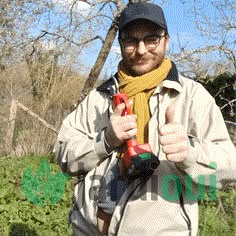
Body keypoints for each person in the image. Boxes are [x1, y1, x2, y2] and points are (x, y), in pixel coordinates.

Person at [54, 2, 235, 236]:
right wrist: (105, 140)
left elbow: (230, 166)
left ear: (166, 41)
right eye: (131, 40)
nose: (141, 50)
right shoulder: (99, 98)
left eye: (151, 39)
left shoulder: (191, 96)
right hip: (89, 229)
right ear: (120, 44)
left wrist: (190, 154)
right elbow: (63, 155)